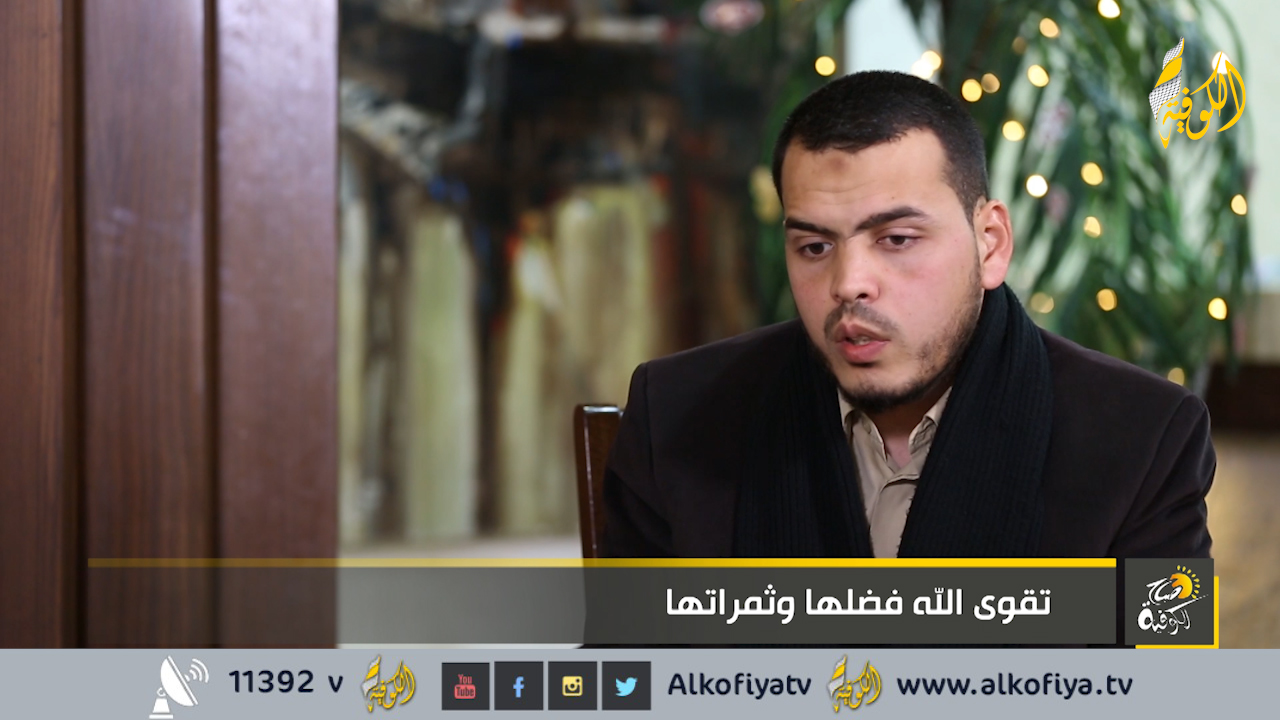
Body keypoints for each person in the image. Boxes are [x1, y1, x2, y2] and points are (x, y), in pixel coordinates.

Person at [600, 71, 1214, 559]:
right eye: (814, 247)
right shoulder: (676, 417)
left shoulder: (1143, 440)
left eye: (896, 239)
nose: (849, 284)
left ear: (991, 244)